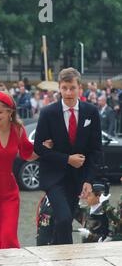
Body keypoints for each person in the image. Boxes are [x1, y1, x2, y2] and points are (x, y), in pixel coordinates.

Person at [34, 67, 102, 245]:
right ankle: (67, 260)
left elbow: (96, 150)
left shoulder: (91, 112)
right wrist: (67, 159)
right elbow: (39, 148)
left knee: (64, 221)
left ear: (80, 88)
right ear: (59, 88)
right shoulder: (48, 113)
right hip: (54, 177)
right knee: (63, 218)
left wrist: (89, 181)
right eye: (64, 88)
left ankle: (59, 261)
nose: (68, 92)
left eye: (72, 88)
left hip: (78, 179)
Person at [0, 92, 51, 250]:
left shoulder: (18, 130)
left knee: (8, 236)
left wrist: (44, 149)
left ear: (10, 112)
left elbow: (28, 154)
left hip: (9, 191)